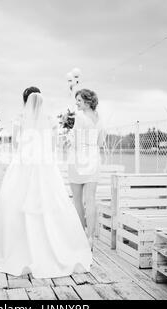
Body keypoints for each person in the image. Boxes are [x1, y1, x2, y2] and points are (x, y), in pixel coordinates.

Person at [0, 89, 92, 279]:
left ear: (25, 101)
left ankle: (19, 247)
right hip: (44, 166)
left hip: (23, 165)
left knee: (16, 203)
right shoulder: (49, 120)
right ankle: (51, 246)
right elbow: (52, 146)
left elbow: (16, 145)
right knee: (49, 204)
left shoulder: (19, 118)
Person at [67, 89, 105, 250]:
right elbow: (101, 142)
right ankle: (90, 238)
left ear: (88, 101)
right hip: (93, 158)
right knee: (90, 199)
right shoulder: (99, 118)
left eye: (79, 101)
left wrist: (68, 140)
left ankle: (81, 235)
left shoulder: (80, 117)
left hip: (79, 158)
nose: (76, 103)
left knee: (77, 199)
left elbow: (74, 141)